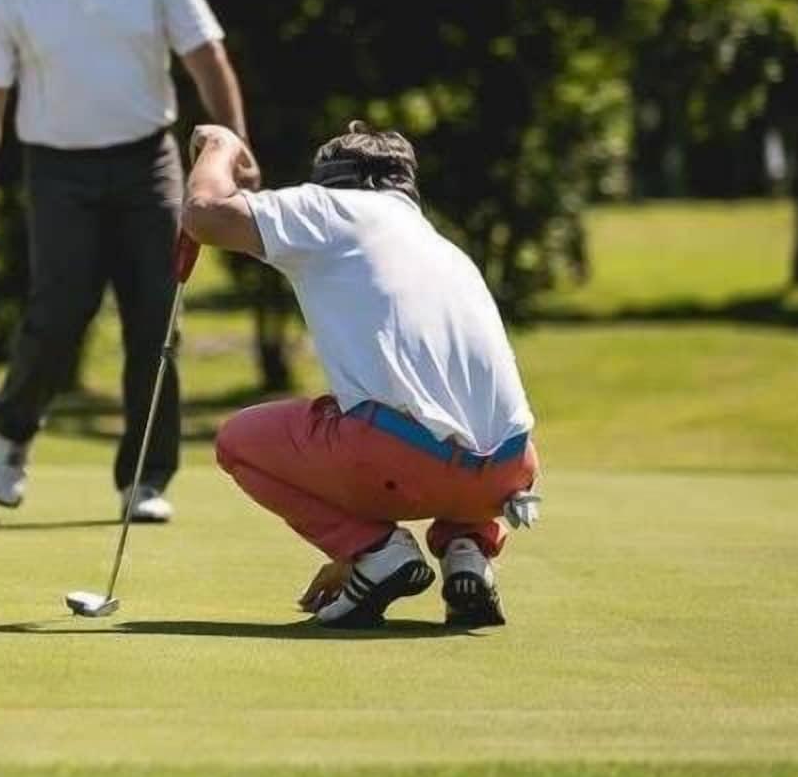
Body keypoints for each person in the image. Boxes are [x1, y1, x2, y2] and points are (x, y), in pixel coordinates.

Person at [0, 0, 252, 523]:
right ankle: (12, 431)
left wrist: (234, 145)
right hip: (57, 169)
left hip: (148, 162)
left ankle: (144, 480)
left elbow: (206, 58)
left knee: (156, 316)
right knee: (59, 314)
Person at [181, 120, 542, 628]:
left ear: (331, 180)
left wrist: (220, 145)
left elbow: (205, 214)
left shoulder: (330, 209)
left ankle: (379, 553)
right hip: (507, 473)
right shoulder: (443, 247)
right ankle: (468, 552)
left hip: (403, 461)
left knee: (238, 441)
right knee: (443, 418)